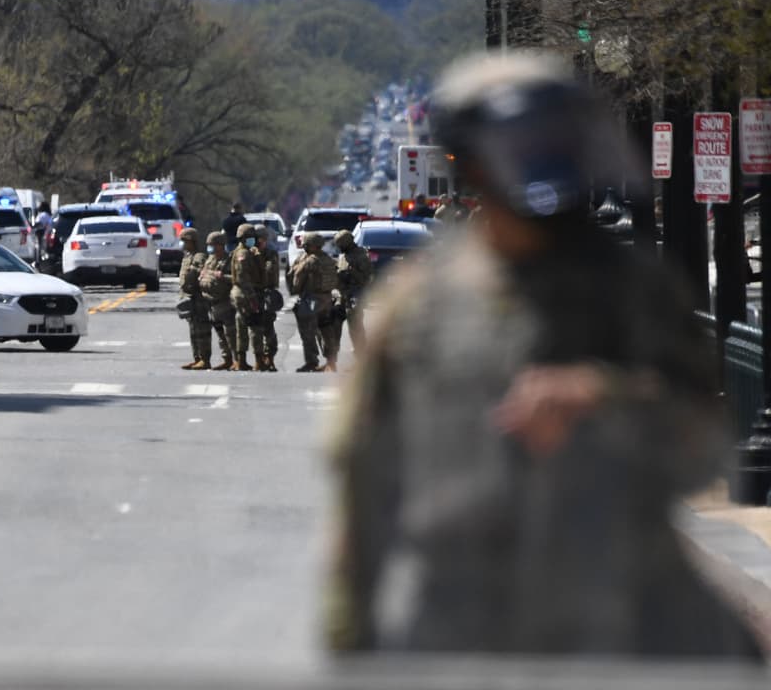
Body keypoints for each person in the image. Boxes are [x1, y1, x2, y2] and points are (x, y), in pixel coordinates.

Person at [325, 51, 761, 659]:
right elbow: (363, 478)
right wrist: (350, 640)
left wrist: (606, 396)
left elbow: (707, 449)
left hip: (623, 613)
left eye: (558, 139)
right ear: (472, 161)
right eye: (525, 142)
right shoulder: (419, 304)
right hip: (459, 624)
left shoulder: (634, 289)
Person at [288, 232, 339, 372]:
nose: (304, 247)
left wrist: (295, 290)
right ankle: (331, 362)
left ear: (312, 246)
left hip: (311, 300)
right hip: (327, 299)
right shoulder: (329, 259)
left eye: (307, 245)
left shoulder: (309, 261)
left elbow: (297, 278)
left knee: (307, 331)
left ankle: (311, 361)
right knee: (326, 331)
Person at [229, 223, 267, 371]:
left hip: (242, 293)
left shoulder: (245, 252)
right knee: (255, 327)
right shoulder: (243, 254)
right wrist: (252, 298)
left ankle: (241, 360)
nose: (254, 240)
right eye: (251, 237)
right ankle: (258, 360)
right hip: (246, 294)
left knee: (242, 326)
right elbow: (242, 277)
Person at [199, 231, 237, 371]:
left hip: (225, 302)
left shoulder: (228, 260)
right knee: (220, 333)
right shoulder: (210, 260)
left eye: (213, 245)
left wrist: (222, 276)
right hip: (211, 302)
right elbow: (203, 274)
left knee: (230, 333)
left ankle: (237, 360)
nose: (211, 248)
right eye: (209, 245)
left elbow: (236, 278)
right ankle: (226, 359)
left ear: (221, 245)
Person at [332, 229, 373, 355]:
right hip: (342, 294)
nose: (340, 248)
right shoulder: (343, 256)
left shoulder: (361, 256)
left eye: (341, 245)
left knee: (355, 325)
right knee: (333, 323)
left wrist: (351, 272)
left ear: (348, 243)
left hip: (356, 294)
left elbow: (366, 279)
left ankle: (361, 353)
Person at [177, 228, 211, 370]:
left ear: (192, 241)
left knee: (202, 330)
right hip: (188, 298)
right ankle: (196, 358)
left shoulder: (199, 257)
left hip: (198, 299)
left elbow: (196, 274)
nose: (183, 244)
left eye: (185, 241)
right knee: (193, 330)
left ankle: (204, 358)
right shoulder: (187, 257)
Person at [255, 225, 281, 372]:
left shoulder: (270, 254)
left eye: (261, 239)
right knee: (254, 329)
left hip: (266, 295)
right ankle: (259, 359)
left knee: (268, 329)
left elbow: (269, 272)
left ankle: (269, 358)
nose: (259, 242)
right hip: (253, 294)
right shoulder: (250, 253)